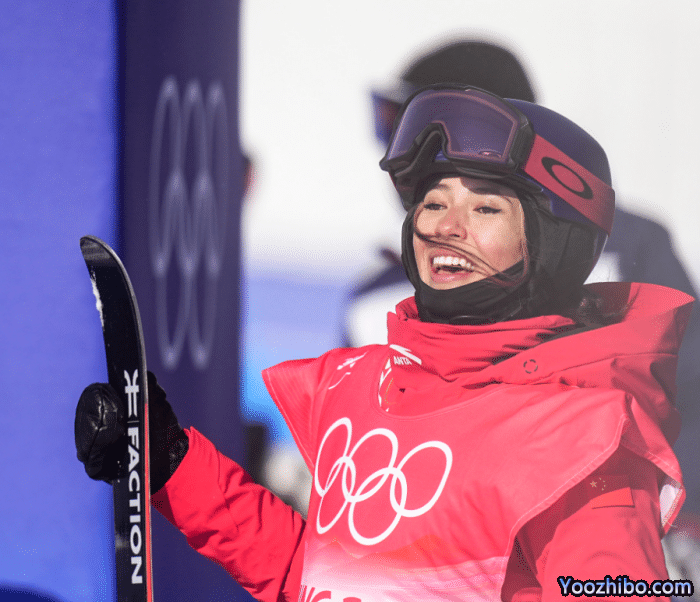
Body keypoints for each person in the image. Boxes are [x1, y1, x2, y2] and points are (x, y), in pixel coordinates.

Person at [75, 86, 693, 601]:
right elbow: (320, 577)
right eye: (432, 202)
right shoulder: (370, 389)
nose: (445, 227)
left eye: (485, 209)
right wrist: (173, 464)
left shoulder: (580, 445)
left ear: (553, 242)